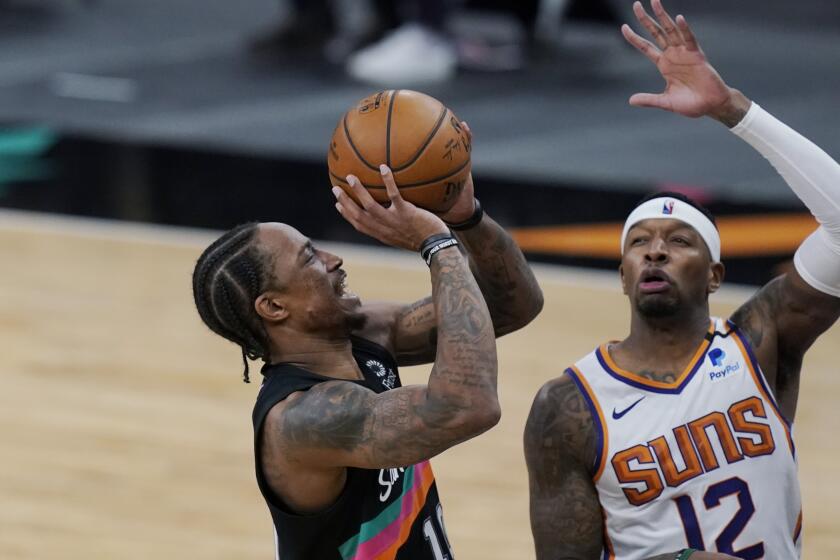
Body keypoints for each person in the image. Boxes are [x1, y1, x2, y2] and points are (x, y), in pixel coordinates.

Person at [524, 1, 840, 559]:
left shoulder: (760, 344)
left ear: (715, 274)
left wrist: (734, 110)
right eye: (639, 242)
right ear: (623, 274)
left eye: (679, 241)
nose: (656, 252)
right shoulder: (569, 406)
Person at [192, 149, 543, 557]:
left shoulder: (365, 331)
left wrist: (467, 218)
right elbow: (469, 406)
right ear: (274, 307)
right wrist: (437, 244)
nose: (334, 259)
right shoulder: (303, 420)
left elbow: (512, 305)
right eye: (310, 258)